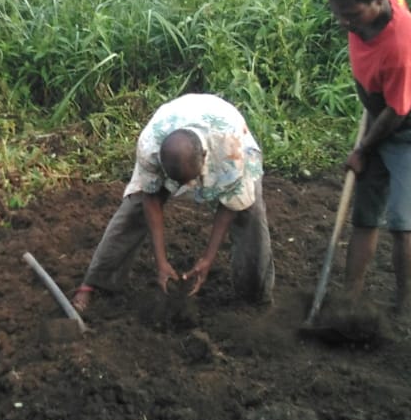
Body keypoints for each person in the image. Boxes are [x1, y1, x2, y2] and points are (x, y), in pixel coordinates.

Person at [316, 0, 411, 315]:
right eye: (338, 12)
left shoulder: (401, 48)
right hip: (380, 115)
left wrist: (362, 150)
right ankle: (349, 299)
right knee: (364, 216)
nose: (343, 22)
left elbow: (397, 113)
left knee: (403, 223)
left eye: (352, 15)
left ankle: (401, 310)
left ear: (377, 1)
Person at [70, 93, 274, 313]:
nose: (186, 187)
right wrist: (161, 261)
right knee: (134, 209)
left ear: (205, 156)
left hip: (228, 139)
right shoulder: (150, 146)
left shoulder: (232, 152)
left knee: (248, 212)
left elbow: (229, 207)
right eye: (178, 182)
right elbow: (150, 199)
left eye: (189, 180)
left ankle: (254, 296)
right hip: (173, 123)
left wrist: (208, 258)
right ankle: (95, 282)